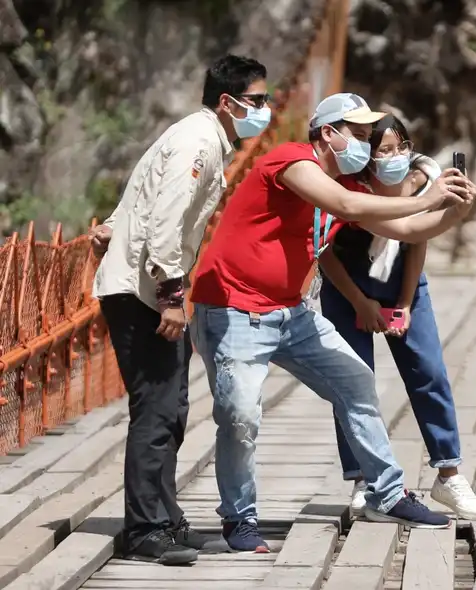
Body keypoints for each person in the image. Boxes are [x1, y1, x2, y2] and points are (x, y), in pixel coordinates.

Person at [188, 93, 476, 553]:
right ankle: (239, 519)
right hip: (234, 310)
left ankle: (386, 492)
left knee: (357, 383)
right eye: (360, 136)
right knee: (241, 417)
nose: (366, 146)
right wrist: (432, 195)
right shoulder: (291, 161)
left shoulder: (345, 186)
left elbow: (403, 231)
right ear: (329, 133)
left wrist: (454, 210)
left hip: (291, 312)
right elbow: (348, 206)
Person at [89, 54, 272, 566]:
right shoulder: (199, 142)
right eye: (256, 101)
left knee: (172, 411)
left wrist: (111, 225)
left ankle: (166, 519)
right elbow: (167, 221)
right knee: (156, 410)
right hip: (146, 292)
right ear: (227, 102)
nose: (265, 110)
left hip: (148, 285)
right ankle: (146, 529)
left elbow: (143, 197)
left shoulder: (200, 135)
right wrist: (173, 297)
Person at [318, 115, 476, 521]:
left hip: (402, 283)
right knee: (353, 383)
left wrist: (407, 303)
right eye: (383, 150)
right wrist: (360, 302)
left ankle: (448, 473)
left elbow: (415, 240)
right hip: (347, 285)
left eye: (400, 147)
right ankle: (364, 479)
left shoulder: (427, 181)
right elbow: (324, 252)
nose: (394, 157)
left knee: (429, 370)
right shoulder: (347, 188)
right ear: (368, 156)